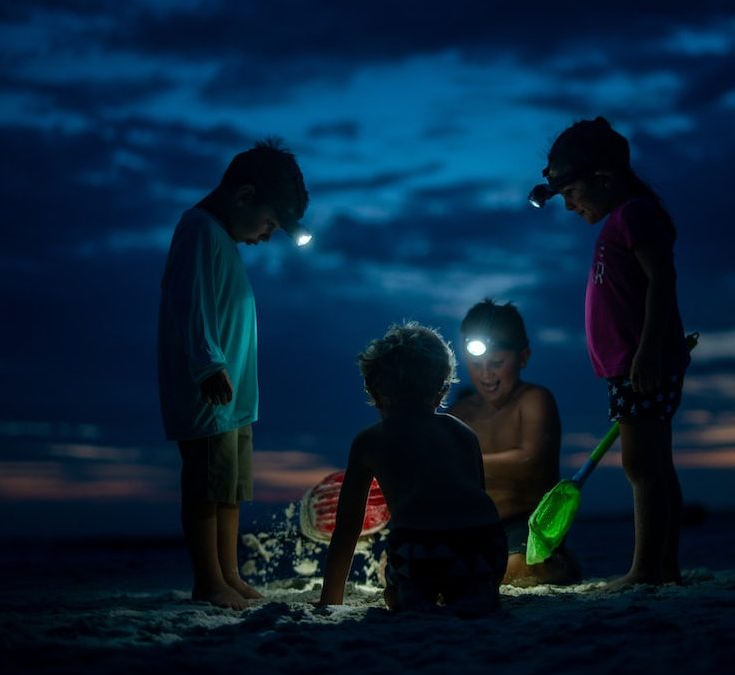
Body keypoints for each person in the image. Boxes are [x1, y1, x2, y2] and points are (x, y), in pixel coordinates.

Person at [528, 117, 690, 588]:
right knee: (654, 463)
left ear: (603, 178)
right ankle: (666, 568)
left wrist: (647, 351)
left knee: (643, 465)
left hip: (643, 365)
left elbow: (662, 280)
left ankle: (645, 571)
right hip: (632, 367)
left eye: (571, 192)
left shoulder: (634, 214)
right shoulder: (620, 221)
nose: (568, 205)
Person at [158, 138, 309, 609]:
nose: (266, 236)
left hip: (235, 397)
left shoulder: (222, 238)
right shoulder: (199, 229)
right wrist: (208, 365)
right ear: (244, 196)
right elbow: (192, 303)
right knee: (206, 485)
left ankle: (229, 572)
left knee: (229, 488)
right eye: (268, 223)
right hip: (211, 392)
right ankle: (208, 580)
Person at [318, 322, 507, 616]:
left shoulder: (370, 440)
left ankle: (413, 595)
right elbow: (478, 498)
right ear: (442, 390)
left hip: (422, 548)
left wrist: (330, 599)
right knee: (470, 583)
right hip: (485, 546)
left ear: (373, 390)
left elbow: (347, 526)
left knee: (395, 593)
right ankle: (478, 592)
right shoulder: (463, 433)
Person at [449, 299, 581, 586]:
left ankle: (559, 562)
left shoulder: (534, 400)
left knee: (517, 571)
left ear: (523, 357)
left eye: (497, 363)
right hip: (471, 527)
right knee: (407, 566)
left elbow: (529, 461)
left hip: (525, 523)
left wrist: (454, 462)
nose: (487, 374)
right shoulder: (458, 414)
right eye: (476, 364)